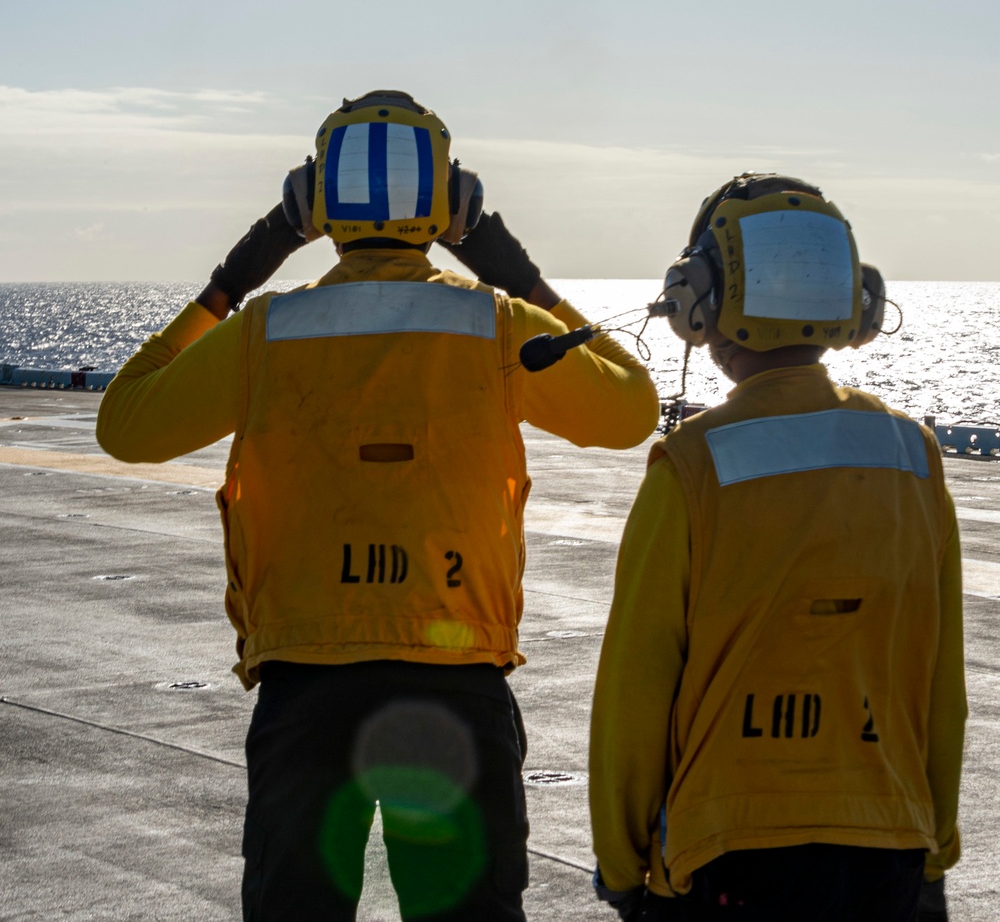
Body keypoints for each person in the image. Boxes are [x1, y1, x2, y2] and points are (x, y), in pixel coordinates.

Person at [96, 89, 659, 922]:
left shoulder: (264, 330)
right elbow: (631, 409)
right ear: (453, 201)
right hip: (455, 676)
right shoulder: (498, 326)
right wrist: (522, 277)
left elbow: (124, 426)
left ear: (313, 205)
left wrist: (231, 280)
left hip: (306, 682)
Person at [589, 173, 965, 922]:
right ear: (854, 302)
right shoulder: (913, 455)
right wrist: (934, 844)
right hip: (887, 839)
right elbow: (938, 680)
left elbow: (637, 683)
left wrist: (622, 860)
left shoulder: (692, 465)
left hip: (727, 853)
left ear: (698, 300)